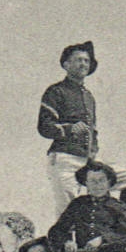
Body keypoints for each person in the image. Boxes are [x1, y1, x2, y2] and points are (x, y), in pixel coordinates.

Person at [39, 42, 99, 217]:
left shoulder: (89, 97)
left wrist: (94, 150)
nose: (83, 64)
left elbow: (93, 129)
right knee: (69, 210)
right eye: (78, 60)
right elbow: (44, 127)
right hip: (64, 158)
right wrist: (70, 128)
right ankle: (63, 244)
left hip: (87, 159)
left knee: (125, 182)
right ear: (66, 65)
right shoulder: (56, 91)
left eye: (86, 61)